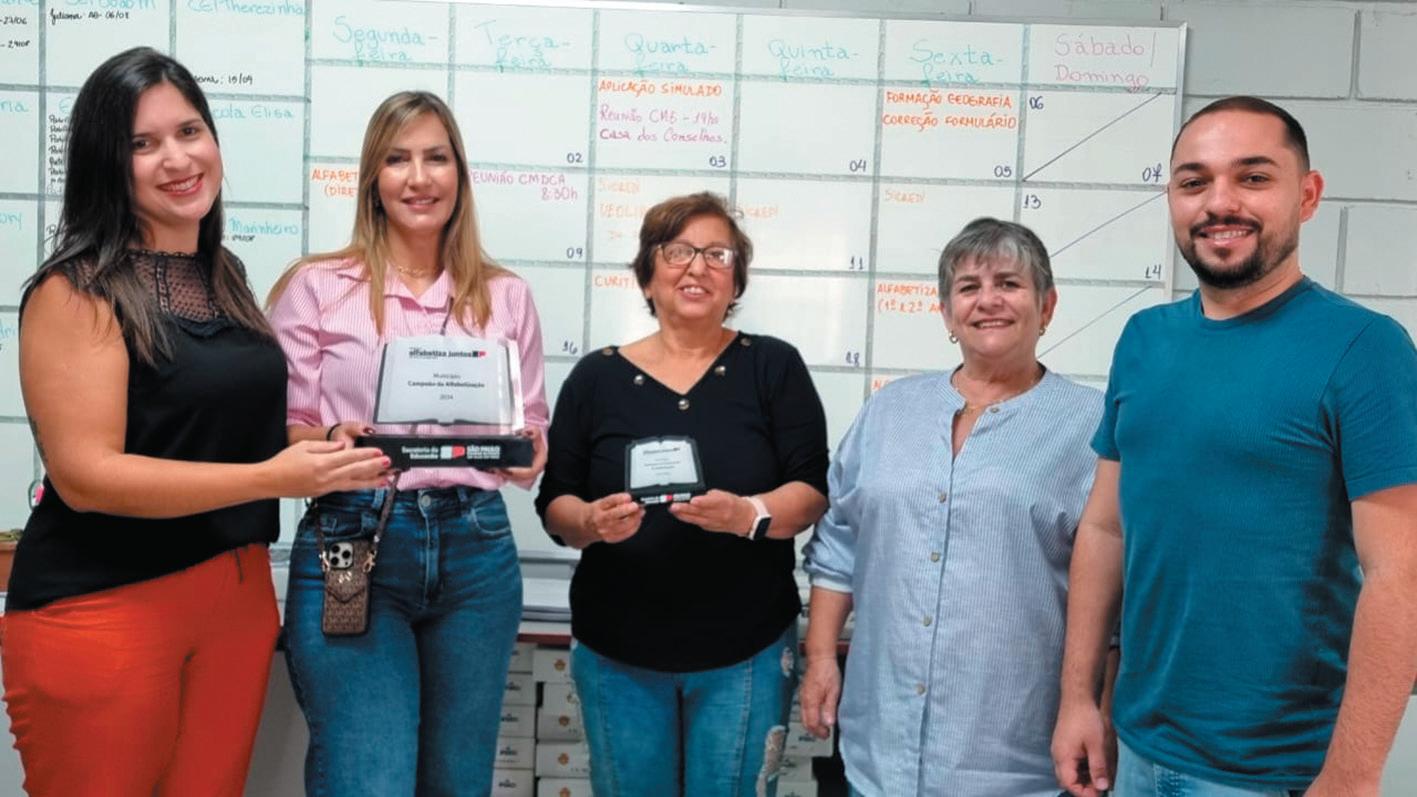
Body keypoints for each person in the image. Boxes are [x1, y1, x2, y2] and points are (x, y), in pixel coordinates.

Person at [0, 47, 389, 797]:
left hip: (233, 601)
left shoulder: (224, 276)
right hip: (104, 607)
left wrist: (321, 447)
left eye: (189, 131)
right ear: (105, 164)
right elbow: (87, 476)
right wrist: (272, 477)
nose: (177, 159)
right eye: (142, 144)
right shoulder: (75, 291)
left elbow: (225, 431)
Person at [1052, 96, 1417, 797]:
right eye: (1194, 181)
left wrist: (1352, 775)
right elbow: (1104, 529)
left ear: (1306, 195)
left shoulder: (1365, 349)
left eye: (1253, 177)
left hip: (1274, 771)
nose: (1219, 202)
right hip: (1136, 748)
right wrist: (1078, 699)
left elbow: (1400, 575)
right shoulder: (1143, 340)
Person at [267, 90, 548, 796]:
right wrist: (332, 438)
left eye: (435, 158)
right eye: (397, 159)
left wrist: (526, 450)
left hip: (478, 552)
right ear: (373, 178)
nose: (418, 178)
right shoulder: (315, 288)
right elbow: (284, 429)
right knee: (370, 781)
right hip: (354, 539)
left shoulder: (507, 296)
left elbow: (531, 426)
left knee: (458, 782)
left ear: (460, 174)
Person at [536, 191, 829, 796]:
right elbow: (556, 503)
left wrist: (748, 514)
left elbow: (811, 491)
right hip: (617, 651)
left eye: (717, 254)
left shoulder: (773, 367)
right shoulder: (596, 378)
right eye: (678, 252)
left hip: (745, 649)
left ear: (736, 279)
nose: (698, 267)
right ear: (647, 275)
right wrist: (591, 522)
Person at [799, 217, 1105, 796]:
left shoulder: (1092, 425)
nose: (988, 300)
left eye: (1009, 283)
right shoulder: (889, 410)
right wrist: (820, 658)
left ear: (1047, 305)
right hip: (878, 752)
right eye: (969, 287)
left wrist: (1096, 709)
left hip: (1015, 760)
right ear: (946, 312)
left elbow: (1114, 596)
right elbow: (838, 546)